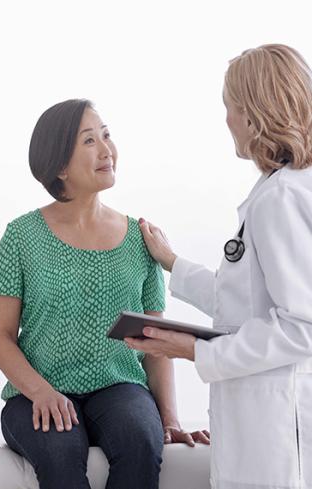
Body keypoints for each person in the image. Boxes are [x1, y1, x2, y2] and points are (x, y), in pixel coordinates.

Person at [0, 99, 209, 489]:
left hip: (119, 386)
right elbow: (0, 338)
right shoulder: (20, 237)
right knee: (60, 452)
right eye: (90, 141)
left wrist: (170, 421)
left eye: (106, 135)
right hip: (36, 390)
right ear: (59, 165)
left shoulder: (140, 239)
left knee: (142, 441)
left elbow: (154, 343)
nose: (107, 149)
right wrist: (41, 392)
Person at [127, 44, 312, 489]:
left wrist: (193, 350)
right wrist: (172, 263)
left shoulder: (281, 199)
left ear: (252, 115)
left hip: (276, 430)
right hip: (266, 422)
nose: (226, 120)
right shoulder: (282, 189)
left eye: (229, 108)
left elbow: (302, 326)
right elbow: (246, 302)